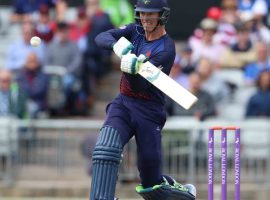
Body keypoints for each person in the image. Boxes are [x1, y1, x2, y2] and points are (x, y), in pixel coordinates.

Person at [90, 0, 196, 200]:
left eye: (151, 14)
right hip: (123, 103)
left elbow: (140, 86)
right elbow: (100, 37)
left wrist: (131, 71)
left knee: (152, 186)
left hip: (149, 111)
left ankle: (184, 193)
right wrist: (116, 46)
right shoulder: (135, 30)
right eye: (143, 13)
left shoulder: (165, 49)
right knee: (105, 150)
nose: (146, 18)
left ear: (162, 15)